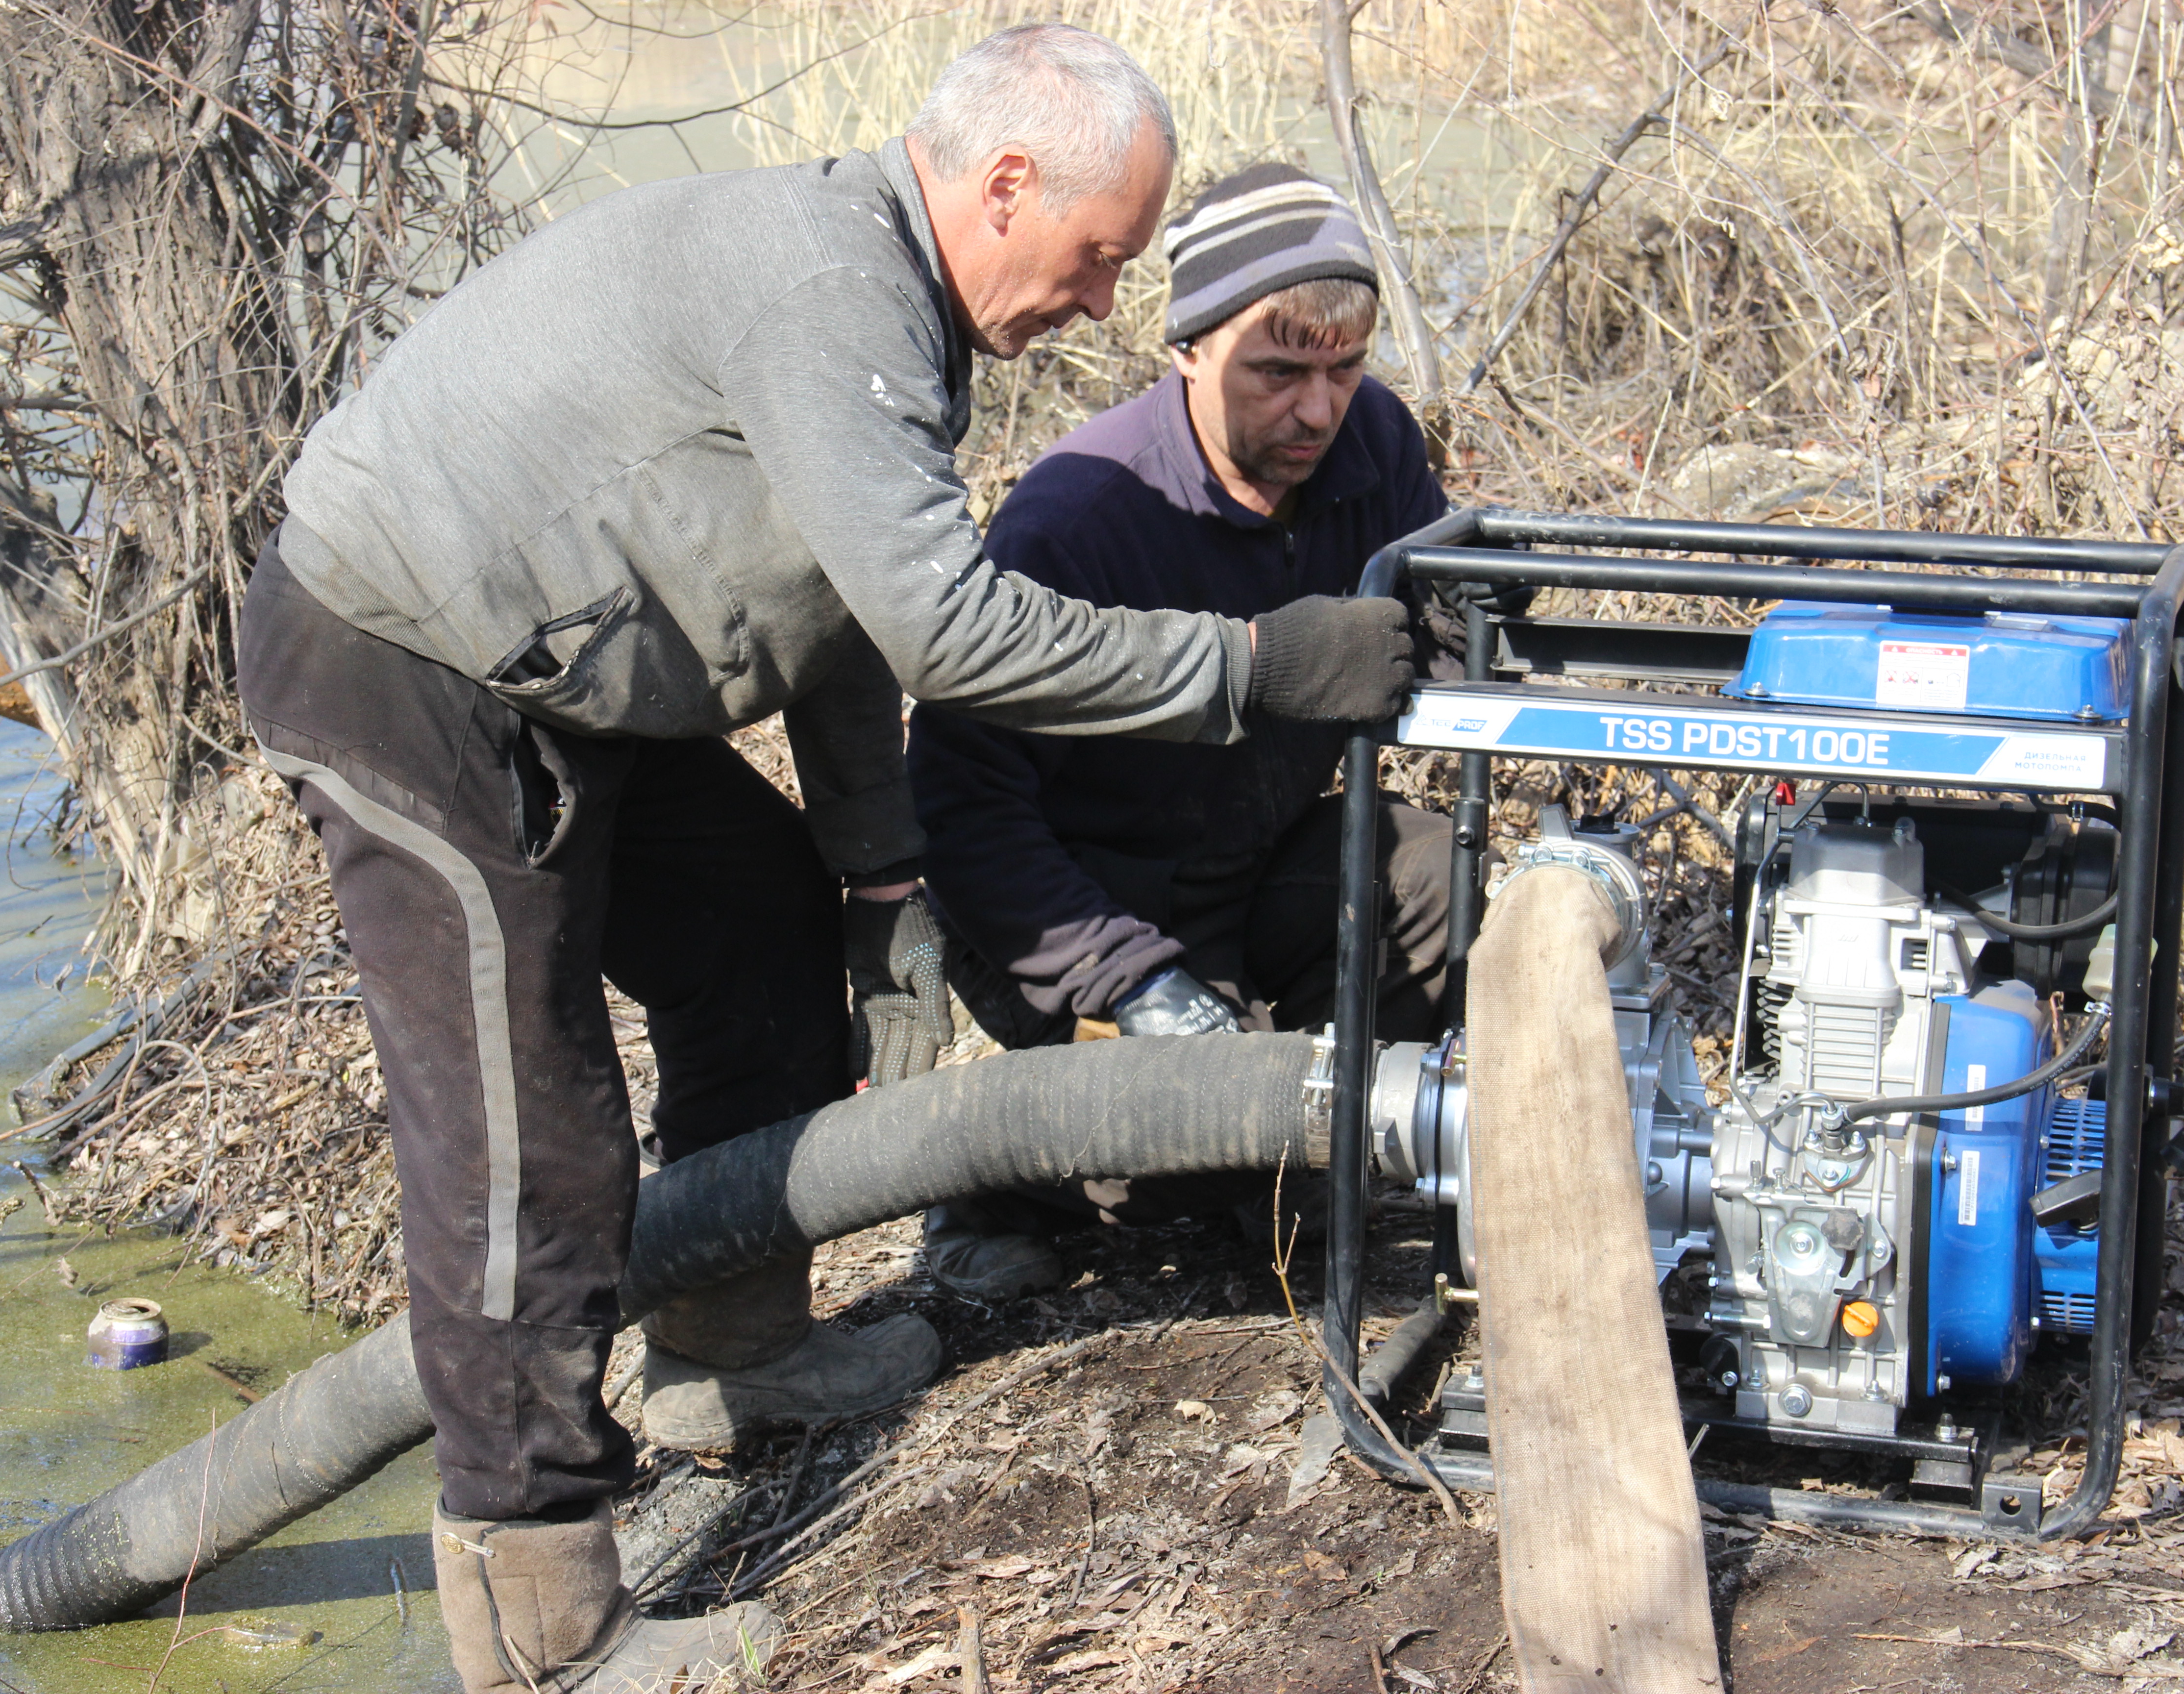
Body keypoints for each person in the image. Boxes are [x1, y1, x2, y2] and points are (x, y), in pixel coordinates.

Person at [235, 30, 1418, 1692]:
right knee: (526, 1129)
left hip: (581, 677)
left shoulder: (889, 303)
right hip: (403, 666)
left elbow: (839, 603)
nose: (1096, 309)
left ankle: (728, 1344)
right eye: (1094, 262)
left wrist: (873, 873)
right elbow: (943, 626)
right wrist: (1251, 668)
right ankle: (545, 1619)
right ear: (1005, 186)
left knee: (760, 938)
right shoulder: (832, 295)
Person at [908, 163, 1509, 1300]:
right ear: (1189, 348)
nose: (1318, 412)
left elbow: (1444, 626)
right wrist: (1130, 982)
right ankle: (991, 1175)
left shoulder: (1371, 446)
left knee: (1438, 869)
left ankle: (1295, 1153)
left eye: (1343, 369)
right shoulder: (1080, 521)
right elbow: (959, 810)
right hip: (1077, 907)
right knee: (1178, 1162)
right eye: (1279, 373)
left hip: (1251, 859)